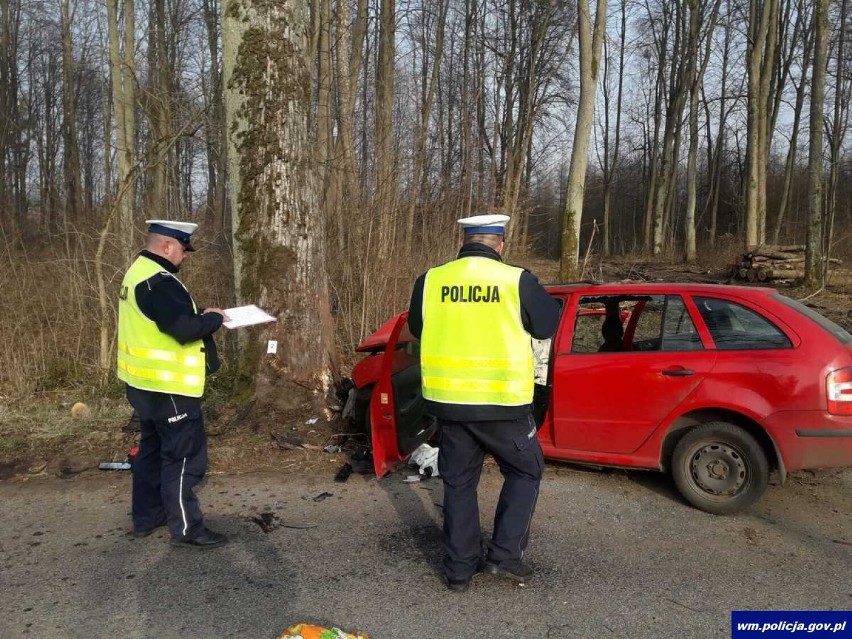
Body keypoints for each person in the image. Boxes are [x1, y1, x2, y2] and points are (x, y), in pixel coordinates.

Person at [407, 213, 560, 592]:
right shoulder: (515, 280)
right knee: (525, 471)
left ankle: (459, 570)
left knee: (458, 483)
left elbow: (417, 327)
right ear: (500, 245)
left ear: (463, 242)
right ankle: (504, 558)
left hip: (450, 403)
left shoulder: (431, 280)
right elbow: (545, 326)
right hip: (502, 403)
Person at [116, 219, 228, 548]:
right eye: (182, 248)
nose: (185, 256)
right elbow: (183, 329)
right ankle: (188, 530)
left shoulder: (137, 271)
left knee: (151, 453)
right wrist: (215, 319)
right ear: (166, 246)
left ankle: (147, 518)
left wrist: (200, 315)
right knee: (183, 459)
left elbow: (162, 320)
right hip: (170, 389)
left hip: (143, 385)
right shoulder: (159, 282)